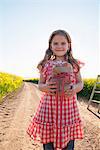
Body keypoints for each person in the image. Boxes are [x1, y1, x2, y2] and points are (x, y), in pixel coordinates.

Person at [27, 29, 84, 150]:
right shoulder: (46, 64)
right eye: (55, 43)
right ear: (50, 45)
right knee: (49, 144)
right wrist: (46, 88)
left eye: (63, 43)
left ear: (69, 45)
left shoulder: (74, 64)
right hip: (49, 110)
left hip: (68, 110)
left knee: (68, 143)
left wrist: (74, 88)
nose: (59, 46)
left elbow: (80, 83)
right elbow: (40, 84)